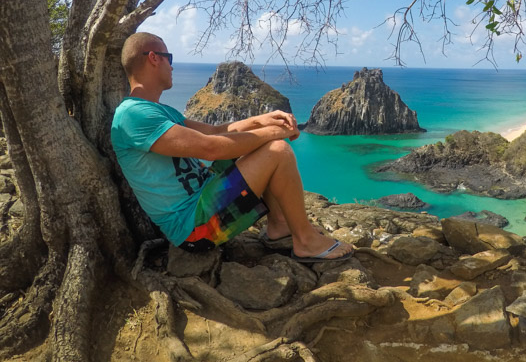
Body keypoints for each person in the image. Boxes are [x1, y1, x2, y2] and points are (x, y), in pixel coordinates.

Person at [110, 32, 353, 263]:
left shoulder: (159, 111)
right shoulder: (132, 115)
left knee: (262, 145)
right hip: (194, 227)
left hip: (204, 199)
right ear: (153, 58)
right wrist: (276, 132)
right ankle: (306, 241)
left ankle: (280, 226)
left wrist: (263, 120)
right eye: (168, 58)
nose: (172, 66)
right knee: (277, 150)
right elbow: (210, 148)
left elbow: (216, 131)